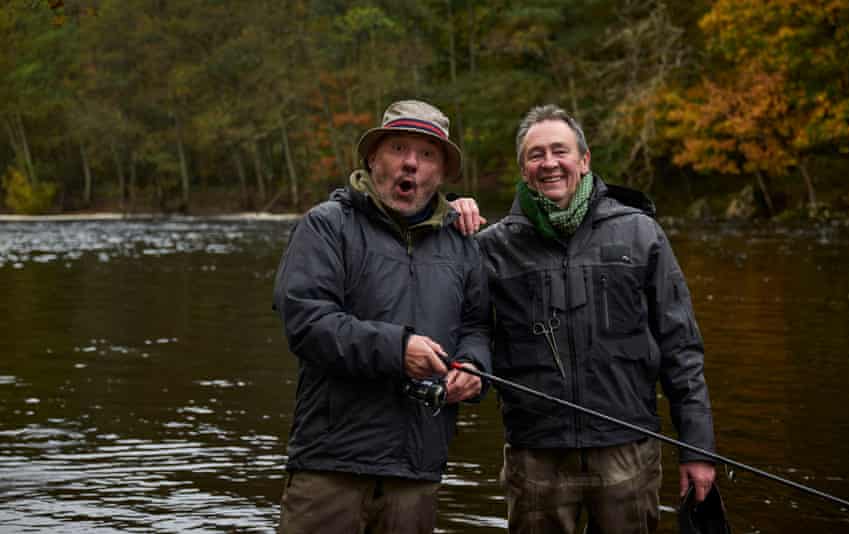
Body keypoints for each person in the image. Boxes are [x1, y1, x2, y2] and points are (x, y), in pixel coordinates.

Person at [475, 104, 716, 534]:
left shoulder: (640, 233)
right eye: (536, 155)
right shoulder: (490, 247)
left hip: (627, 452)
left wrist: (697, 450)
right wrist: (450, 216)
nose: (549, 163)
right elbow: (468, 331)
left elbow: (681, 348)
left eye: (559, 151)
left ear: (584, 160)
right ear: (522, 168)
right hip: (536, 456)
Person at [272, 99, 491, 534]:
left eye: (427, 154)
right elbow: (307, 322)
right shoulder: (326, 226)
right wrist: (397, 349)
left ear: (441, 173)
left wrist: (474, 368)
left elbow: (478, 325)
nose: (411, 163)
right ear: (374, 158)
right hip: (330, 467)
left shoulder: (464, 244)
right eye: (397, 148)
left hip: (417, 469)